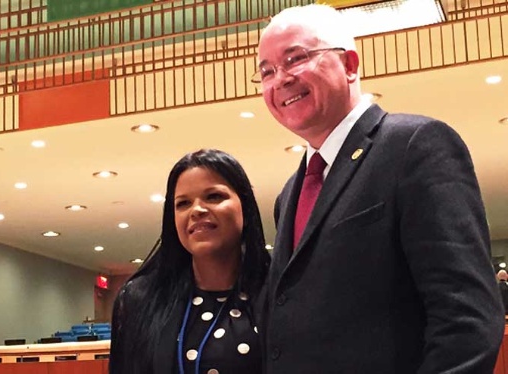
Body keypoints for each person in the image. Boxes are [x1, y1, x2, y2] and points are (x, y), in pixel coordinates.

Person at [254, 4, 505, 373]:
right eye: (267, 71)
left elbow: (467, 319)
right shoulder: (292, 191)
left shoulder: (415, 146)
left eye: (296, 59)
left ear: (350, 65)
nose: (280, 79)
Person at [110, 149, 270, 374]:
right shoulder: (139, 299)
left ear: (245, 207)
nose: (197, 210)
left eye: (214, 196)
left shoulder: (280, 293)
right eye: (183, 203)